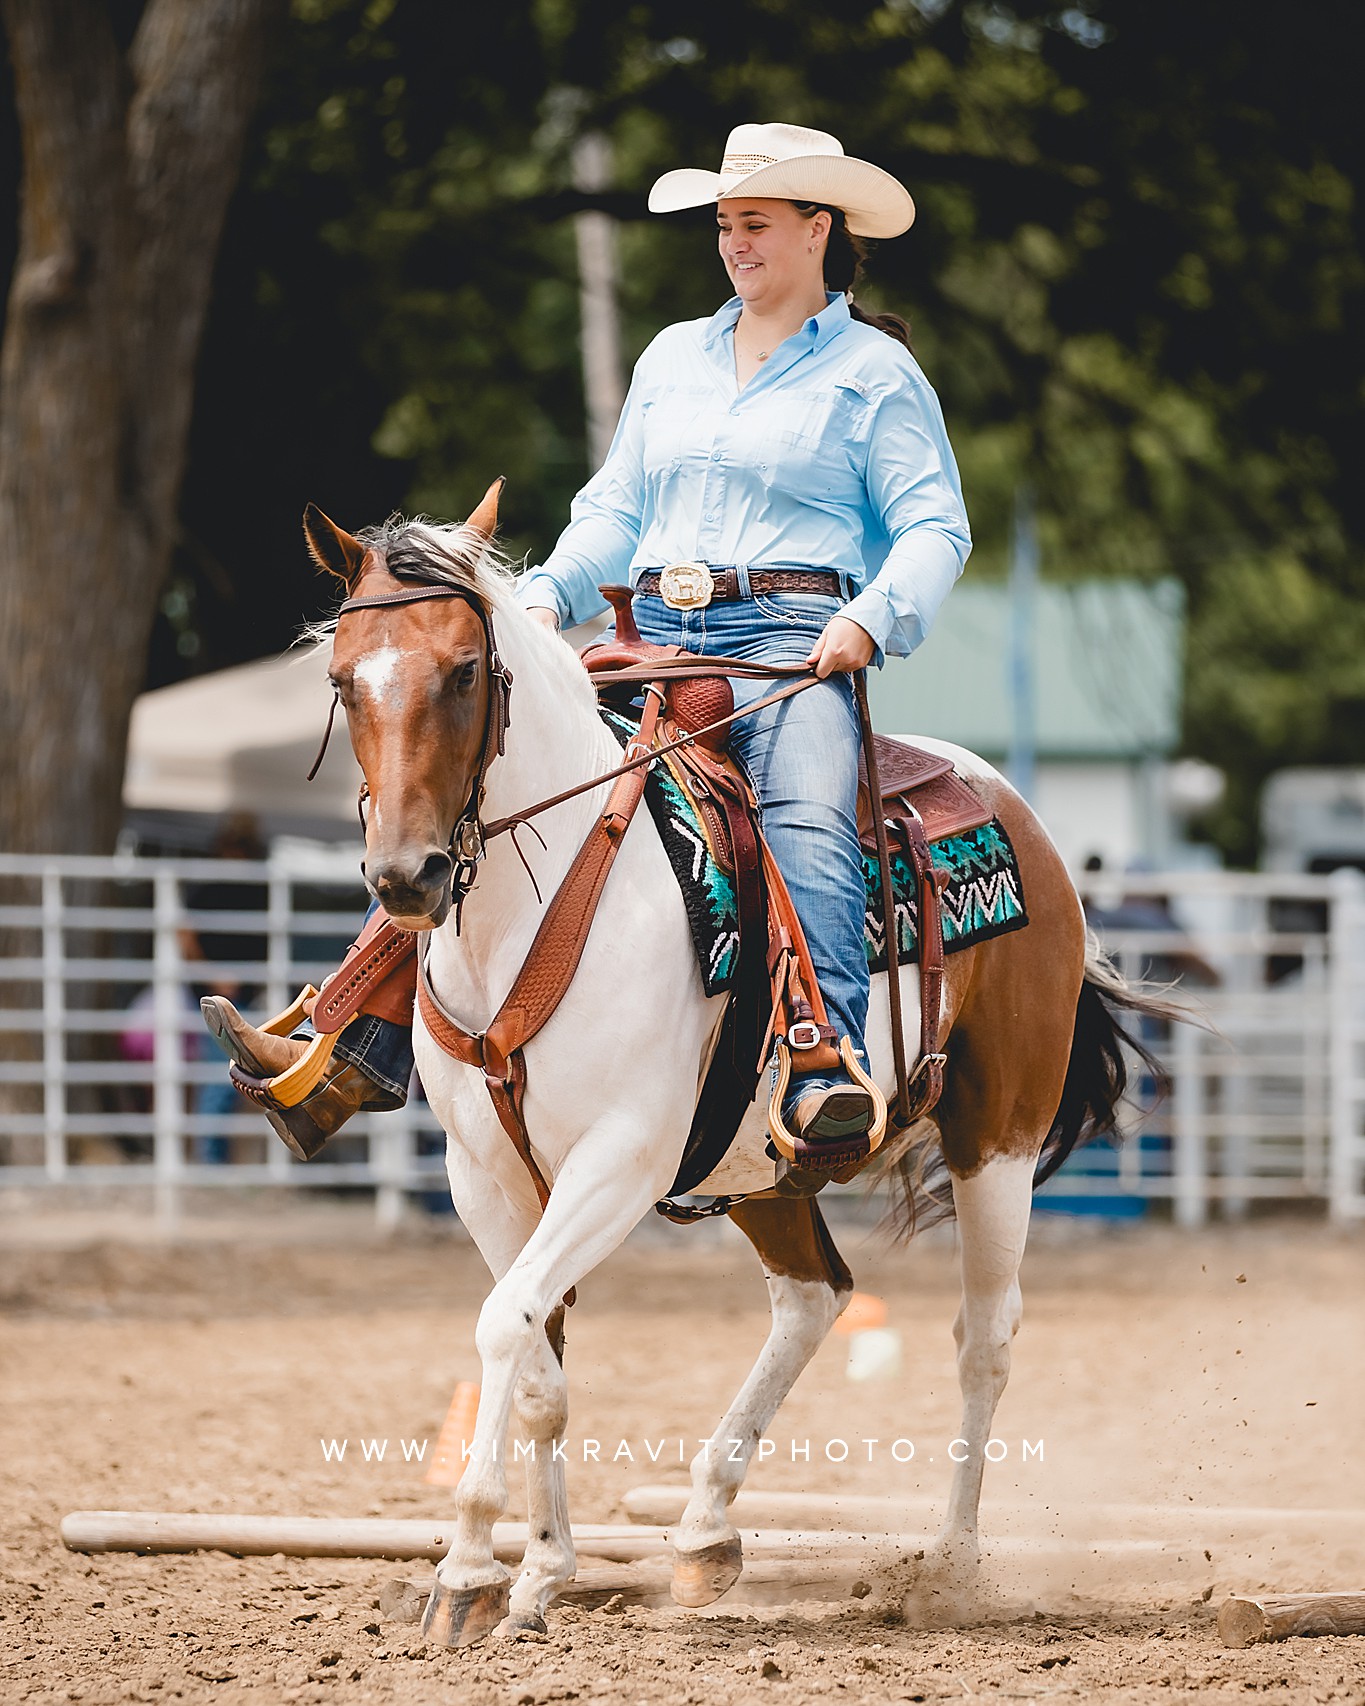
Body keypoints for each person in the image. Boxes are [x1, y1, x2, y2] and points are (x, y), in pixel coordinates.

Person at [204, 121, 971, 1162]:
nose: (736, 243)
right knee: (489, 777)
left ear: (817, 229)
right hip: (652, 628)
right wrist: (539, 598)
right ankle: (352, 1035)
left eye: (755, 224)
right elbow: (613, 509)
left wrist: (868, 619)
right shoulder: (672, 358)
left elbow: (935, 526)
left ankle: (824, 1058)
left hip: (792, 641)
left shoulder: (876, 373)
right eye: (725, 225)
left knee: (807, 815)